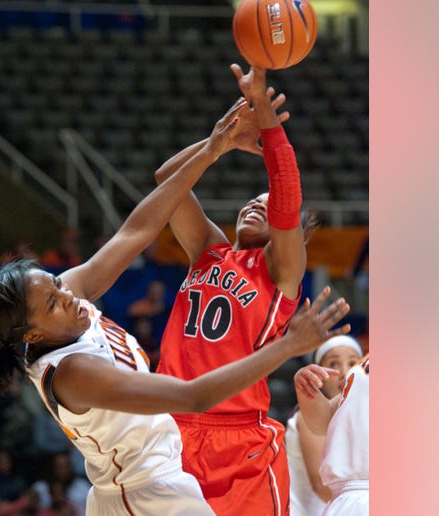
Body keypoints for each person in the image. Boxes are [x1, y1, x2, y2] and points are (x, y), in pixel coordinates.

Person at [0, 94, 352, 515]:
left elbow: (139, 226)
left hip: (218, 436)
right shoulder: (73, 371)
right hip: (155, 467)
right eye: (54, 302)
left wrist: (217, 143)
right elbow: (193, 396)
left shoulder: (275, 270)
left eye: (59, 285)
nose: (69, 295)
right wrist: (288, 346)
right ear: (33, 332)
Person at [154, 63, 329, 515]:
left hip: (238, 437)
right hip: (169, 425)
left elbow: (286, 197)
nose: (256, 205)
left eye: (266, 208)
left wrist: (269, 122)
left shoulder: (280, 271)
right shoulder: (208, 249)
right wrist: (217, 144)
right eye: (252, 201)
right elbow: (166, 181)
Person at [286, 336, 363, 515]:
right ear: (318, 374)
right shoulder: (308, 417)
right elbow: (321, 486)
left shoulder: (360, 414)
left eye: (353, 363)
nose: (345, 373)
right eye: (334, 364)